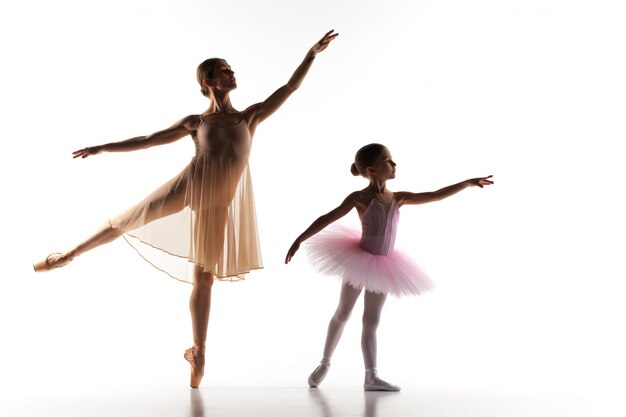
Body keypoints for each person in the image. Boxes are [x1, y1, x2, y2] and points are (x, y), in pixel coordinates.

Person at [33, 29, 339, 388]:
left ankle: (199, 350)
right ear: (210, 80)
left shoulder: (251, 117)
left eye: (231, 68)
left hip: (219, 204)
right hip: (189, 186)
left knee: (205, 278)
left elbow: (290, 88)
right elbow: (148, 140)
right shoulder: (197, 122)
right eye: (225, 70)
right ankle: (68, 254)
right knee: (127, 219)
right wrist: (103, 147)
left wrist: (311, 54)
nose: (232, 72)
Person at [285, 143, 493, 391]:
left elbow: (436, 194)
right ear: (372, 169)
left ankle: (371, 376)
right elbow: (326, 218)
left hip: (384, 265)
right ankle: (325, 363)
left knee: (371, 320)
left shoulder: (398, 198)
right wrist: (300, 238)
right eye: (388, 161)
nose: (394, 164)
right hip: (360, 260)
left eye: (392, 160)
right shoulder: (360, 198)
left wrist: (467, 183)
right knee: (343, 313)